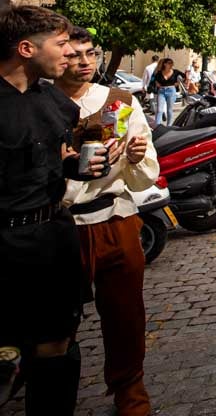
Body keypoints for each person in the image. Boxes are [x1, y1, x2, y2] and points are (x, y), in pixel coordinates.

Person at [1, 5, 107, 415]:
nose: (70, 54)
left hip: (53, 241)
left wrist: (74, 166)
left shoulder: (55, 102)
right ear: (27, 48)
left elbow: (51, 163)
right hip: (6, 247)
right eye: (61, 45)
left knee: (59, 348)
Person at [56, 28, 158, 416]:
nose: (84, 61)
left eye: (90, 53)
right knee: (57, 320)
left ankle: (130, 390)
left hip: (114, 216)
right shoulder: (43, 103)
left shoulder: (118, 101)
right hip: (62, 224)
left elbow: (145, 171)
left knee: (125, 314)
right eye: (75, 54)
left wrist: (135, 157)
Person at [147, 58, 185, 127]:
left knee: (169, 110)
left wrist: (178, 83)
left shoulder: (175, 72)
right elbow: (153, 79)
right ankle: (157, 126)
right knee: (159, 110)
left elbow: (184, 76)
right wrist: (156, 83)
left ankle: (169, 126)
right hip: (161, 91)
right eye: (169, 63)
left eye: (172, 63)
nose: (171, 65)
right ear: (165, 64)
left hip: (171, 91)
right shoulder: (159, 72)